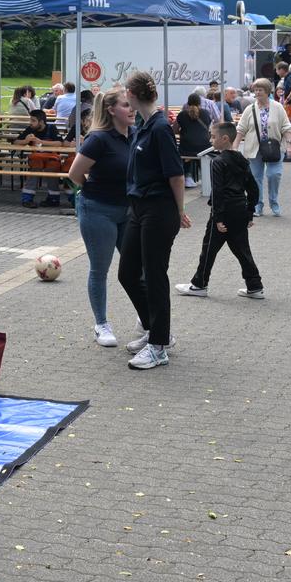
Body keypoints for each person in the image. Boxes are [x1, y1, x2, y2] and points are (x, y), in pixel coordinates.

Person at [116, 71, 191, 371]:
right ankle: (154, 331)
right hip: (138, 208)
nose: (124, 99)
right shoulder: (142, 127)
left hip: (159, 209)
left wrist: (179, 210)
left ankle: (159, 346)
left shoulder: (160, 127)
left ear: (133, 96)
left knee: (155, 275)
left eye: (125, 95)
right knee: (128, 272)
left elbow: (176, 174)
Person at [67, 87, 134, 348]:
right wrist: (92, 189)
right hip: (98, 210)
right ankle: (101, 324)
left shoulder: (134, 135)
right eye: (126, 105)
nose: (131, 110)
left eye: (131, 105)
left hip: (127, 211)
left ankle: (145, 317)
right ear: (111, 110)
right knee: (100, 269)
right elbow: (75, 173)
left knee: (134, 266)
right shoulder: (98, 139)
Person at [175, 122, 264, 300]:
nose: (210, 139)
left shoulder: (218, 162)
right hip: (239, 209)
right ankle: (255, 285)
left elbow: (218, 192)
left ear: (225, 139)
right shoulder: (242, 161)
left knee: (209, 249)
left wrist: (217, 218)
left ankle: (199, 284)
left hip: (224, 212)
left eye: (213, 136)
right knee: (242, 249)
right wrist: (249, 212)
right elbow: (254, 188)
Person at [234, 79, 291, 217]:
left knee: (274, 174)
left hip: (274, 148)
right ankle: (257, 205)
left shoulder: (278, 107)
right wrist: (235, 146)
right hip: (254, 148)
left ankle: (274, 201)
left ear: (267, 91)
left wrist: (289, 145)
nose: (257, 92)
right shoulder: (250, 109)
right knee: (255, 178)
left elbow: (287, 127)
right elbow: (241, 129)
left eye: (260, 90)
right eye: (256, 90)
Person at [11, 108, 66, 207]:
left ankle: (53, 199)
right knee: (35, 167)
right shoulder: (30, 129)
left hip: (51, 156)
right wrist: (25, 141)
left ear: (41, 122)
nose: (30, 123)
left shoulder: (52, 128)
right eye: (30, 120)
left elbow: (59, 143)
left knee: (52, 169)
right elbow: (15, 142)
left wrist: (41, 142)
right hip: (37, 157)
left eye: (33, 121)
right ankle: (27, 199)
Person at [175, 92, 212, 189]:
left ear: (188, 103)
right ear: (200, 103)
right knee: (201, 153)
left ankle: (187, 176)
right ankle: (207, 179)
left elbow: (174, 130)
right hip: (205, 147)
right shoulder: (206, 113)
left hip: (187, 148)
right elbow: (208, 127)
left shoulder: (182, 114)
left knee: (185, 151)